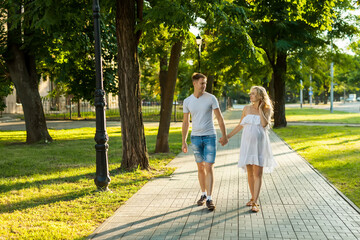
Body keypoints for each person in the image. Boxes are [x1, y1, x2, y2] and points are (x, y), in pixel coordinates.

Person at [224, 86, 277, 212]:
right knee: (250, 173)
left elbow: (264, 124)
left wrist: (259, 109)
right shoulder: (246, 109)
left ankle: (255, 202)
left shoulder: (266, 109)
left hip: (260, 145)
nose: (250, 95)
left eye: (253, 94)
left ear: (260, 96)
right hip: (247, 145)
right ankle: (252, 197)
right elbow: (240, 125)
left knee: (258, 173)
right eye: (250, 93)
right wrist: (227, 137)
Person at [182, 73, 228, 211]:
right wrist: (183, 141)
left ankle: (209, 197)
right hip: (195, 138)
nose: (204, 85)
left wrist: (224, 135)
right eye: (202, 83)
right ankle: (202, 194)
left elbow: (219, 118)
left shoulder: (211, 98)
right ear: (194, 83)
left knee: (209, 166)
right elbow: (185, 122)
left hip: (210, 136)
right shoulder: (187, 101)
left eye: (205, 83)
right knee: (200, 167)